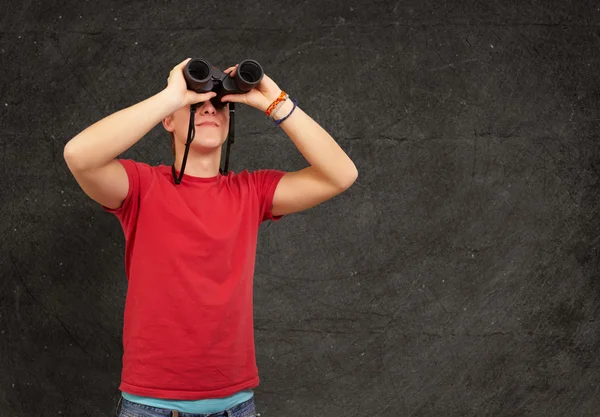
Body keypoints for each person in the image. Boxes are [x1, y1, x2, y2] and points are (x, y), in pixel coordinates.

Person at [63, 57, 358, 417]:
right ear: (169, 120)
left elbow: (341, 175)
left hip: (235, 406)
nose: (209, 108)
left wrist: (275, 101)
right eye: (196, 103)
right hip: (151, 406)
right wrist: (172, 96)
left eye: (219, 104)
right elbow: (79, 155)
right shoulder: (141, 187)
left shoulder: (251, 191)